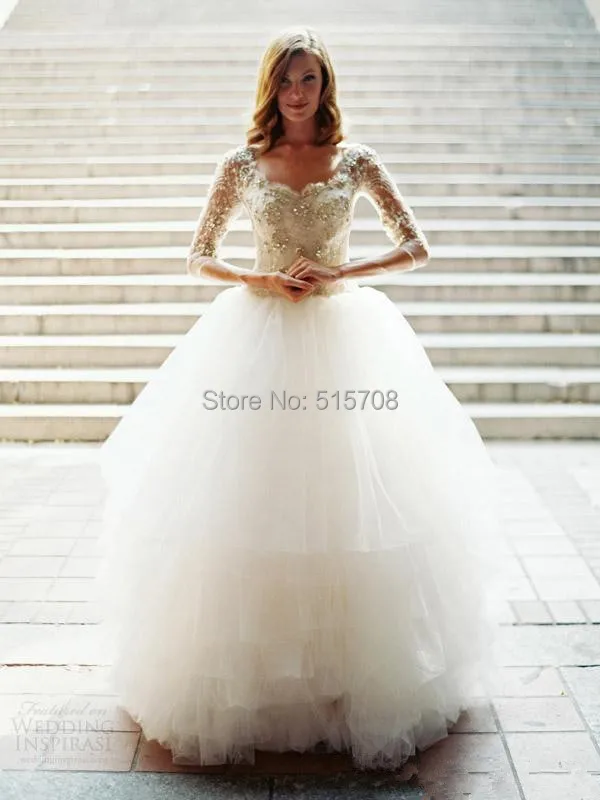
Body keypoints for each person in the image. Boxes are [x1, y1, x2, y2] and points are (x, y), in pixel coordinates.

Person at [96, 25, 507, 772]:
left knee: (353, 507)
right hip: (255, 339)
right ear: (269, 86)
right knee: (250, 504)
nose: (296, 92)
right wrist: (258, 280)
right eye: (286, 79)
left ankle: (346, 682)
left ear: (326, 86)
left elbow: (417, 246)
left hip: (344, 338)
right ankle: (255, 683)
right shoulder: (241, 163)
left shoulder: (356, 161)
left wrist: (346, 273)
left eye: (309, 79)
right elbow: (198, 255)